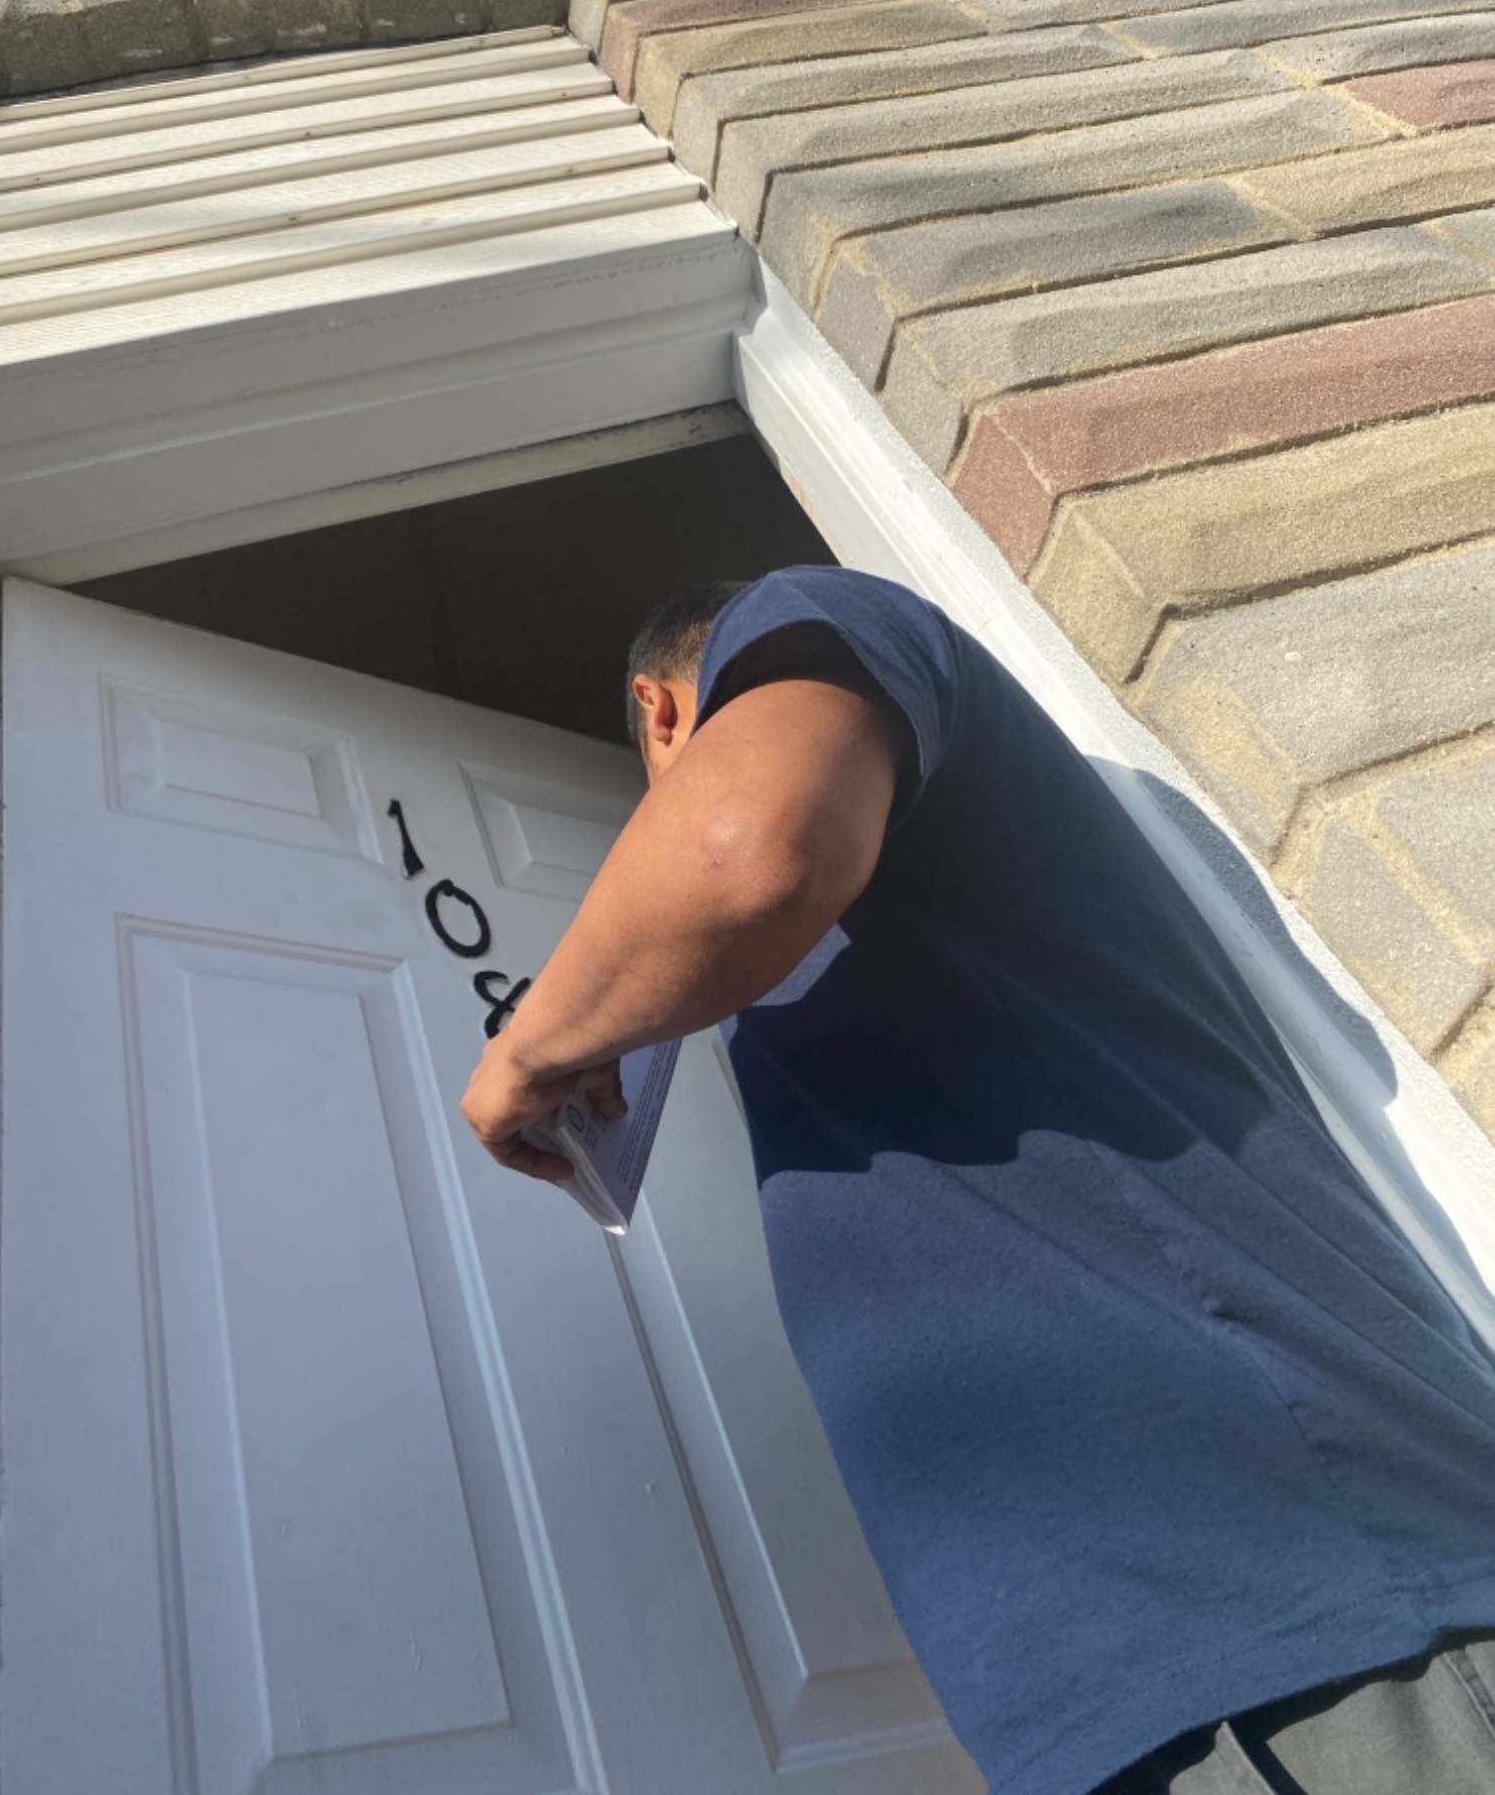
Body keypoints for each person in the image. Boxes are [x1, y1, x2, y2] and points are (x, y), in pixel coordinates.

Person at [461, 565, 1495, 1795]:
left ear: (664, 709)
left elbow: (744, 848)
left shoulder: (811, 613)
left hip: (1314, 1621)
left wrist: (528, 1047)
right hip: (1125, 1704)